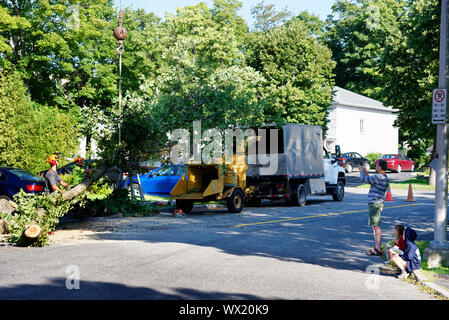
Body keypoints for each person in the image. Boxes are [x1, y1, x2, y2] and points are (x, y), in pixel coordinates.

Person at [359, 160, 389, 256]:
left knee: (376, 226)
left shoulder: (378, 177)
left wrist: (361, 171)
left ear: (380, 167)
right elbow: (369, 178)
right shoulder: (384, 177)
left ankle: (378, 249)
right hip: (378, 203)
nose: (375, 167)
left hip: (375, 203)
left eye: (376, 165)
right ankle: (377, 247)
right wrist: (365, 171)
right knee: (374, 226)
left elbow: (365, 179)